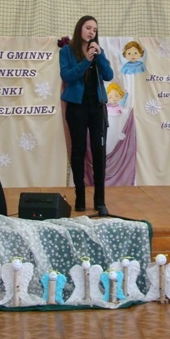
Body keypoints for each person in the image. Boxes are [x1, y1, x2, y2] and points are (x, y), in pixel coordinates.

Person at [59, 15, 114, 216]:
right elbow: (66, 75)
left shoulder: (98, 51)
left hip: (97, 107)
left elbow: (108, 75)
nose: (92, 32)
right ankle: (80, 197)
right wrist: (86, 61)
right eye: (88, 28)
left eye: (95, 30)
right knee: (79, 150)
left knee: (99, 152)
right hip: (77, 107)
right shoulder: (67, 51)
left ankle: (100, 200)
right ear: (80, 28)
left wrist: (99, 56)